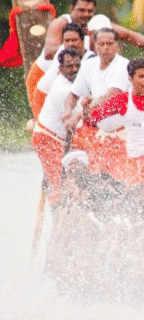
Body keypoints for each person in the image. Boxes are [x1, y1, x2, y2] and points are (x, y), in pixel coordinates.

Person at [84, 58, 144, 187]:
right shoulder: (122, 100)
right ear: (130, 79)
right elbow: (92, 119)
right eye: (141, 77)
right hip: (133, 158)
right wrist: (85, 108)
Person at [31, 48, 82, 205]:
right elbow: (83, 119)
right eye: (69, 66)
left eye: (77, 66)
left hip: (58, 138)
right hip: (47, 139)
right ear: (60, 69)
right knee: (59, 186)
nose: (74, 70)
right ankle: (58, 220)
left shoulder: (74, 84)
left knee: (65, 180)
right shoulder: (63, 88)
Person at [62, 26, 131, 130]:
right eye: (101, 44)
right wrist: (68, 112)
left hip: (121, 129)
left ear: (117, 46)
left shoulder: (124, 65)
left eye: (109, 43)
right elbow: (73, 94)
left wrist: (76, 117)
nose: (105, 48)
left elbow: (108, 97)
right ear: (95, 46)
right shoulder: (88, 64)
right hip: (97, 127)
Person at [30, 23, 88, 120]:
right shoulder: (64, 54)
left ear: (82, 41)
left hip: (62, 95)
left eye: (74, 40)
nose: (70, 44)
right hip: (45, 94)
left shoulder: (89, 56)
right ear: (63, 42)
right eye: (67, 41)